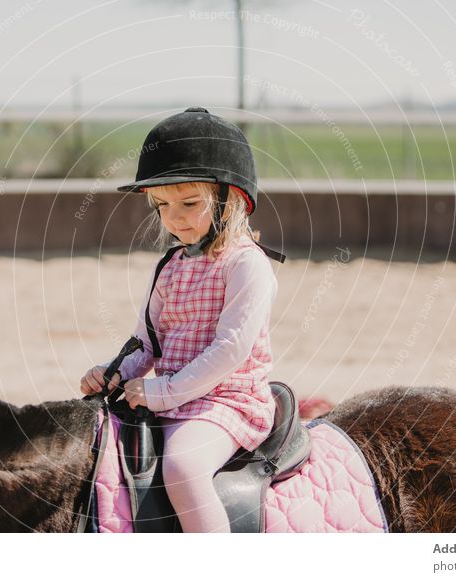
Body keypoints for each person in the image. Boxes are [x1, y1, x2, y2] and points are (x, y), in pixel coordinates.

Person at [80, 107, 284, 532]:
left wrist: (163, 391)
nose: (174, 218)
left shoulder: (247, 266)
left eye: (190, 203)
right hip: (169, 393)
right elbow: (147, 342)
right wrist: (115, 373)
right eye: (163, 205)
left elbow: (230, 350)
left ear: (233, 200)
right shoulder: (170, 266)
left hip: (227, 401)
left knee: (182, 467)